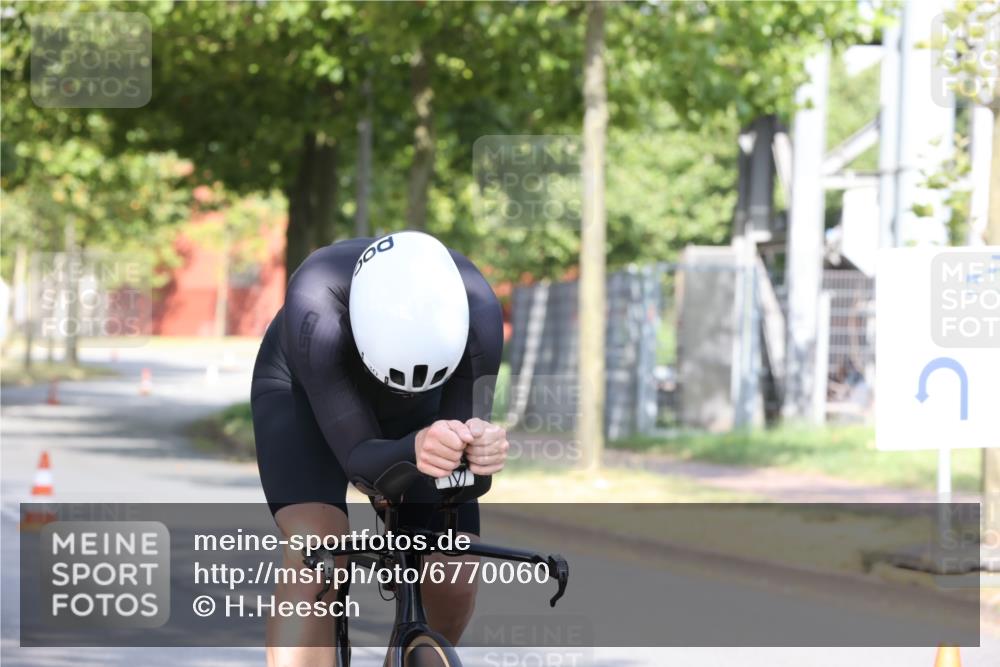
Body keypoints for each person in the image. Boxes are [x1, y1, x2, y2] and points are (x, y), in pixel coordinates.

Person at [250, 230, 508, 666]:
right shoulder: (316, 295)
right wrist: (413, 450)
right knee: (317, 550)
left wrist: (479, 455)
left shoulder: (479, 308)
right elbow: (359, 462)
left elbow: (462, 481)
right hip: (306, 397)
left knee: (454, 569)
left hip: (426, 414)